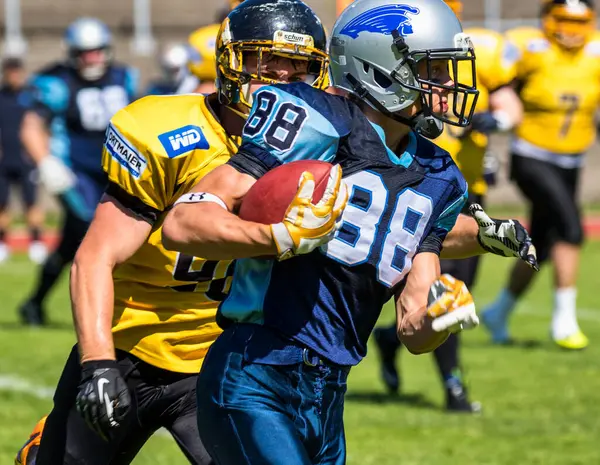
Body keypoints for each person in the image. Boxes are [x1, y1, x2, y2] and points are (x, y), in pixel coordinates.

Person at [159, 0, 531, 462]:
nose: (449, 85)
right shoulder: (314, 118)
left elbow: (413, 328)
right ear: (380, 66)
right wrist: (279, 239)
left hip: (330, 392)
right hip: (256, 371)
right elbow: (183, 221)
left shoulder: (438, 173)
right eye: (434, 68)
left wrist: (439, 317)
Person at [14, 3, 332, 465]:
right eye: (263, 61)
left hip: (224, 362)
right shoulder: (169, 135)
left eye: (297, 66)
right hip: (130, 346)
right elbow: (95, 258)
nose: (280, 78)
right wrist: (98, 364)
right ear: (229, 63)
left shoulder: (320, 145)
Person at [373, 0, 524, 412]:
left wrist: (500, 122)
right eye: (434, 73)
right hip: (415, 187)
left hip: (462, 189)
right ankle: (454, 386)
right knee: (441, 289)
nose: (446, 84)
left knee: (454, 292)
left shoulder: (481, 48)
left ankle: (393, 340)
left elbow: (511, 103)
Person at [482, 0, 595, 350]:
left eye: (579, 21)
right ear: (547, 18)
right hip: (531, 156)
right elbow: (495, 81)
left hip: (572, 160)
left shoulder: (594, 53)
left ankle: (498, 311)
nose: (571, 29)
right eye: (562, 19)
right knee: (571, 228)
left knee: (542, 246)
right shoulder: (528, 47)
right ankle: (564, 322)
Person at [17, 18, 138, 326]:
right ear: (72, 52)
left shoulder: (124, 77)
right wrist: (46, 162)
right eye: (85, 52)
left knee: (72, 242)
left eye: (97, 51)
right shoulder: (56, 81)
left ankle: (34, 303)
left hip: (116, 169)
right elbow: (31, 126)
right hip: (75, 173)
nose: (92, 58)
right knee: (94, 230)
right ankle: (109, 311)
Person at [0, 56, 47, 264]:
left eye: (17, 72)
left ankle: (36, 242)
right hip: (4, 160)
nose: (14, 76)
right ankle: (3, 243)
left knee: (32, 202)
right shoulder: (1, 97)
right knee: (2, 204)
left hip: (26, 161)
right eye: (10, 72)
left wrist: (40, 152)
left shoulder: (31, 97)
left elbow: (42, 125)